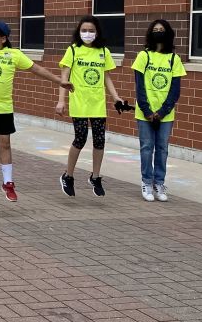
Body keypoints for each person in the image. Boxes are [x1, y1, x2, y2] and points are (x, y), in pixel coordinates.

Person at [0, 0, 73, 202]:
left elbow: (38, 70)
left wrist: (59, 81)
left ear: (3, 38)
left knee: (4, 144)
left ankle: (8, 183)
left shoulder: (14, 55)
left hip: (4, 107)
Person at [56, 15, 126, 198]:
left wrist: (116, 97)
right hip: (79, 102)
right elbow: (65, 78)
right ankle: (68, 176)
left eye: (91, 30)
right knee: (80, 138)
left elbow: (106, 77)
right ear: (79, 32)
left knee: (100, 140)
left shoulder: (103, 51)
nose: (88, 33)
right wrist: (61, 100)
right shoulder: (73, 50)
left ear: (97, 32)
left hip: (98, 104)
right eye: (84, 30)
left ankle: (95, 177)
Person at [133, 19, 186, 202]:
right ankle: (147, 182)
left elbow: (175, 90)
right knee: (147, 148)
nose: (158, 32)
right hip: (144, 113)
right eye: (155, 29)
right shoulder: (143, 56)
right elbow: (139, 87)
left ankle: (159, 183)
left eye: (161, 29)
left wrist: (162, 112)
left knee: (162, 149)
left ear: (168, 33)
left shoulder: (174, 59)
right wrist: (147, 111)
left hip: (166, 114)